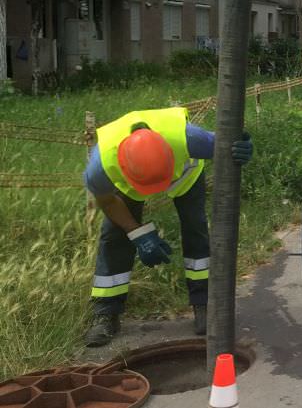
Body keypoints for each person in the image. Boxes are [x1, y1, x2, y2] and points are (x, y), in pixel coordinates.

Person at [82, 107, 254, 347]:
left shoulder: (192, 139)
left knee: (196, 230)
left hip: (186, 178)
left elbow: (231, 143)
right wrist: (137, 234)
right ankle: (105, 314)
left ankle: (204, 304)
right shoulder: (99, 167)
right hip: (130, 186)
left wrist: (243, 147)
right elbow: (107, 201)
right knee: (113, 237)